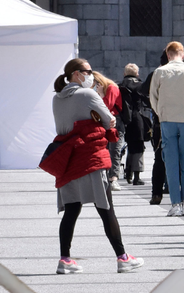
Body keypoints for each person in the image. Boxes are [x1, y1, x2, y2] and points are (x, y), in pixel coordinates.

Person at [44, 58, 143, 274]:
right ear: (77, 74)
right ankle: (122, 257)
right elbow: (109, 120)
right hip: (90, 158)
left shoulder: (56, 99)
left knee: (71, 210)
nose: (91, 75)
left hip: (68, 159)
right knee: (106, 208)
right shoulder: (87, 94)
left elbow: (63, 126)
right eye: (88, 71)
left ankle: (65, 259)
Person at [150, 41, 184, 217]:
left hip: (167, 120)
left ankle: (175, 203)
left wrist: (161, 114)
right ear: (183, 53)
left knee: (170, 163)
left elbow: (153, 97)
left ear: (168, 53)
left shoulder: (160, 72)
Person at [140, 50, 169, 205]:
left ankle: (156, 193)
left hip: (160, 121)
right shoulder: (183, 73)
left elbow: (143, 93)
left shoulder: (155, 74)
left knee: (159, 158)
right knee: (182, 159)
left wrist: (154, 106)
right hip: (182, 121)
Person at [92, 71, 124, 192]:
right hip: (104, 122)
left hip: (116, 122)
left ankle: (113, 178)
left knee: (114, 150)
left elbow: (107, 106)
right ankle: (105, 177)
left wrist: (100, 94)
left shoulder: (111, 88)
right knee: (104, 149)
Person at [119, 64, 147, 186]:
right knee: (138, 146)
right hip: (137, 118)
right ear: (137, 74)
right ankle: (136, 176)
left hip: (123, 119)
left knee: (129, 144)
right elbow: (147, 101)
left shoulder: (119, 86)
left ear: (124, 74)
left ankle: (128, 173)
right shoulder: (140, 86)